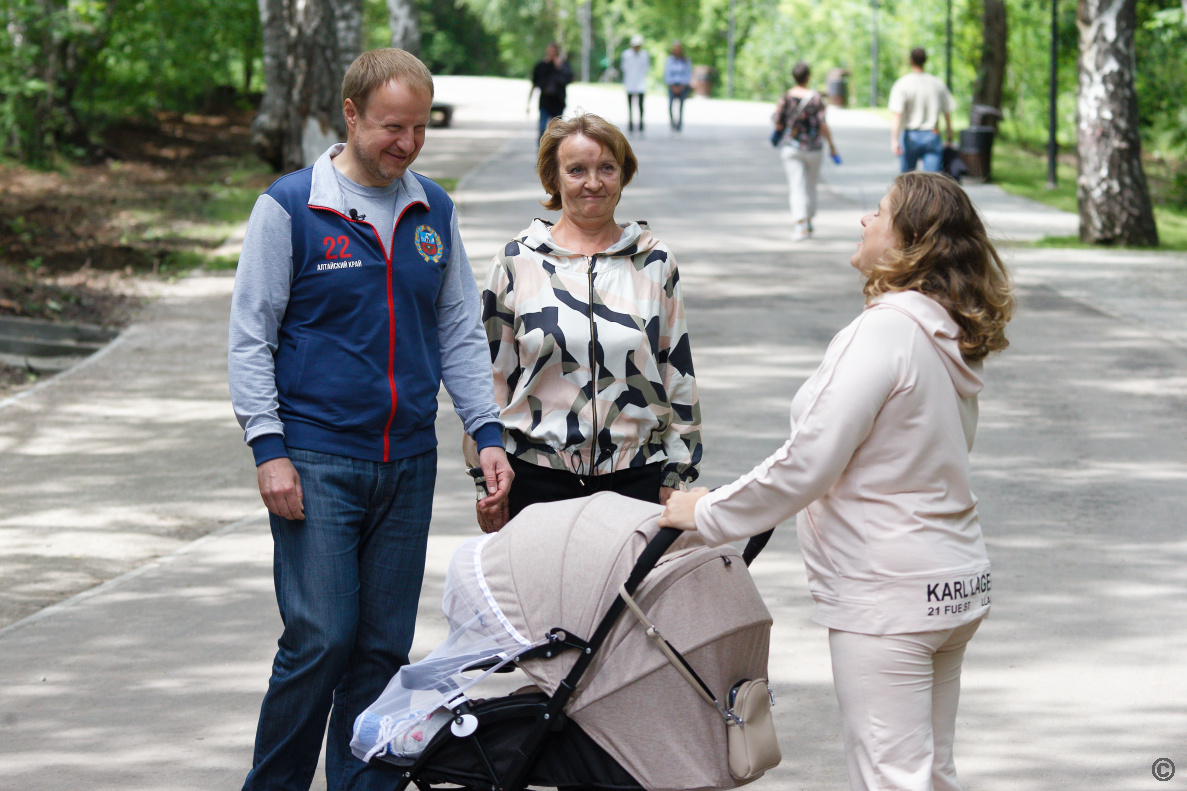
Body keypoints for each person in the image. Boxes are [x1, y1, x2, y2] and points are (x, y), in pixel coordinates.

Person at [660, 172, 1014, 791]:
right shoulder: (946, 333)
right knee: (931, 772)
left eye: (877, 213)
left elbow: (808, 461)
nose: (863, 222)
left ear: (910, 240)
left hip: (891, 593)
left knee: (891, 777)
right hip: (951, 581)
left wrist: (705, 511)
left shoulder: (885, 332)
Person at [227, 48, 513, 791]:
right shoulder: (291, 206)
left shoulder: (433, 210)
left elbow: (456, 329)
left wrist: (484, 430)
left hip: (407, 461)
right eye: (392, 126)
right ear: (350, 115)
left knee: (382, 648)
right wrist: (268, 446)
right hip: (316, 458)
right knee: (321, 637)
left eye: (419, 128)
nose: (408, 144)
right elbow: (250, 335)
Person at [479, 113, 703, 531]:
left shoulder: (655, 263)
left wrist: (678, 473)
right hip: (536, 480)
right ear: (553, 177)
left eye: (606, 168)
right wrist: (484, 477)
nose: (593, 183)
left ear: (623, 174)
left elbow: (677, 372)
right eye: (577, 170)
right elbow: (490, 377)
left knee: (626, 598)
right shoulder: (516, 262)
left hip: (637, 482)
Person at [772, 61, 839, 242]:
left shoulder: (786, 98)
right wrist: (832, 146)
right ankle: (808, 221)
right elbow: (823, 124)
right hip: (813, 148)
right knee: (810, 186)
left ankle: (800, 224)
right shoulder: (816, 98)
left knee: (796, 186)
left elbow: (778, 121)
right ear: (808, 77)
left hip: (791, 147)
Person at [888, 47, 955, 173]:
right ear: (926, 60)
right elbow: (947, 112)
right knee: (932, 180)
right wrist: (949, 137)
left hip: (910, 136)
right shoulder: (937, 83)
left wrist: (894, 140)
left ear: (911, 61)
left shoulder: (903, 83)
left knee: (908, 180)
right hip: (932, 134)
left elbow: (897, 114)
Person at [529, 42, 574, 141]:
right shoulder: (541, 65)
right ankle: (541, 152)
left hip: (558, 102)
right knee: (542, 129)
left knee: (557, 131)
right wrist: (529, 102)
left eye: (554, 50)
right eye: (550, 50)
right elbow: (535, 83)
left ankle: (555, 154)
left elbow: (569, 79)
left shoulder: (563, 65)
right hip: (545, 102)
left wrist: (559, 67)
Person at [620, 33, 650, 133]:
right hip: (630, 82)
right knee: (630, 105)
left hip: (640, 82)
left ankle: (641, 122)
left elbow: (646, 68)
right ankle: (631, 123)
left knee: (640, 105)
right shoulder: (626, 55)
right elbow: (624, 67)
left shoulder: (644, 55)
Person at [663, 41, 692, 132]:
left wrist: (682, 86)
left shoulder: (685, 60)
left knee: (681, 107)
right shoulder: (669, 60)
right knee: (670, 106)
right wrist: (672, 86)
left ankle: (679, 126)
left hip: (682, 86)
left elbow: (688, 74)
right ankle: (672, 124)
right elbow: (667, 74)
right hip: (672, 85)